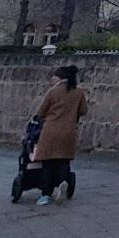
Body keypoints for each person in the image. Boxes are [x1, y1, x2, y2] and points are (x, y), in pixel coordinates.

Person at [32, 65, 87, 205]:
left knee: (47, 162)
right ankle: (63, 182)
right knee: (63, 161)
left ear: (59, 78)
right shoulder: (79, 92)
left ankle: (45, 194)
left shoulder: (53, 92)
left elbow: (41, 112)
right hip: (69, 131)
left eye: (54, 76)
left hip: (51, 130)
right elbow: (83, 110)